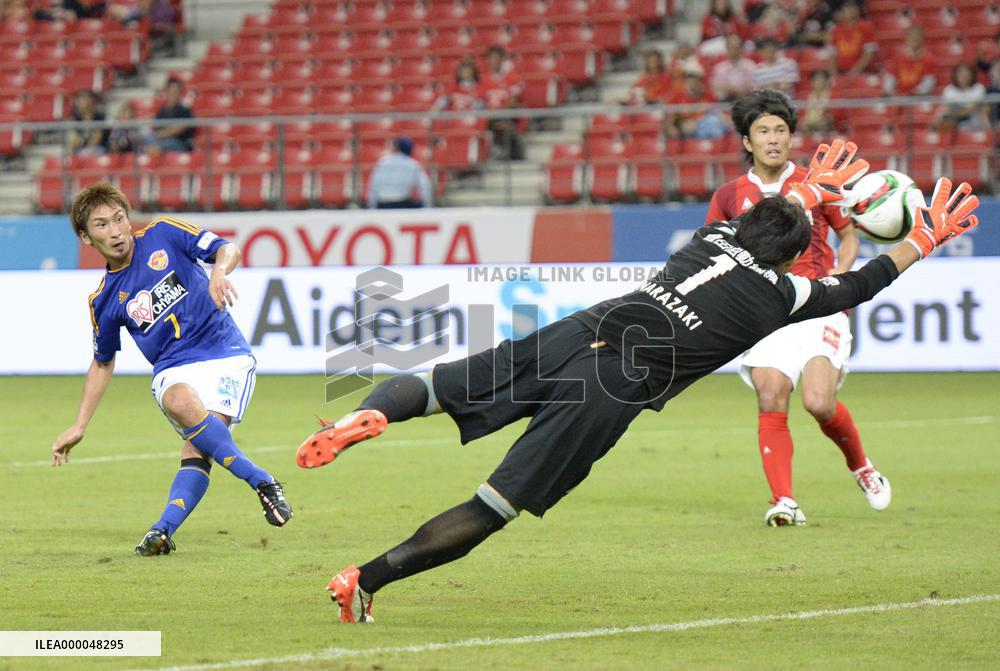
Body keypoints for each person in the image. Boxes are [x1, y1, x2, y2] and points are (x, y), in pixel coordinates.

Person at [297, 141, 979, 622]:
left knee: (439, 384)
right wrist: (924, 238)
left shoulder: (709, 240)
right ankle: (363, 578)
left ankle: (361, 417)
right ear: (795, 255)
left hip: (581, 328)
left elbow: (765, 216)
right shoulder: (780, 297)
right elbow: (861, 279)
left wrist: (805, 188)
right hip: (613, 384)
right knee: (491, 506)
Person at [51, 183, 293, 556]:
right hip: (172, 368)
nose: (116, 231)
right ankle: (262, 481)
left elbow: (227, 248)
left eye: (119, 219)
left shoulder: (164, 232)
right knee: (180, 401)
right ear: (85, 236)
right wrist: (80, 424)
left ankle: (162, 531)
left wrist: (218, 272)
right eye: (102, 225)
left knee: (198, 448)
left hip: (224, 351)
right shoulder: (103, 300)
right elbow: (102, 363)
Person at [705, 89, 877, 526]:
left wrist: (841, 274)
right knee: (771, 394)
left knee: (819, 403)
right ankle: (784, 501)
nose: (773, 138)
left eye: (780, 129)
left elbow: (850, 234)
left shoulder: (815, 185)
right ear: (747, 141)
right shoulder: (730, 195)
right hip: (765, 311)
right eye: (763, 130)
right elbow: (713, 248)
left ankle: (860, 465)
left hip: (817, 303)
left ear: (790, 136)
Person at [365, 136, 433, 209]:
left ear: (397, 148)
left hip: (382, 204)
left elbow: (373, 186)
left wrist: (372, 206)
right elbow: (425, 187)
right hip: (401, 204)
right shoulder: (413, 164)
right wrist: (427, 206)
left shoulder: (383, 162)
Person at [934, 63, 992, 132]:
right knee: (941, 116)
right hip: (953, 120)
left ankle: (988, 136)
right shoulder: (949, 89)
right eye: (960, 73)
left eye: (966, 74)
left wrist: (955, 111)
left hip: (973, 121)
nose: (963, 76)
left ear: (972, 75)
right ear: (955, 75)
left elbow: (970, 109)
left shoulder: (978, 88)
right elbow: (946, 107)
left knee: (982, 111)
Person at [883, 26, 936, 97]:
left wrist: (913, 93)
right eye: (911, 36)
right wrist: (893, 93)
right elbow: (890, 78)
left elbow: (928, 83)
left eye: (917, 37)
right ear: (906, 38)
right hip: (898, 96)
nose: (914, 39)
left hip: (919, 97)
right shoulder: (898, 57)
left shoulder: (929, 59)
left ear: (923, 39)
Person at [146, 77, 196, 153]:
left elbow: (179, 129)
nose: (174, 94)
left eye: (176, 91)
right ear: (166, 92)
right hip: (161, 140)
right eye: (171, 91)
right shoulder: (162, 111)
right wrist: (157, 135)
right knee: (146, 137)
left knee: (158, 144)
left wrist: (160, 134)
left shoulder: (185, 110)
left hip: (179, 143)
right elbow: (155, 128)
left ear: (180, 93)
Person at [828, 1, 877, 77]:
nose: (850, 11)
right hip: (841, 72)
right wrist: (835, 75)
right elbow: (831, 54)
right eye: (847, 9)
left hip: (863, 72)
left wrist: (854, 71)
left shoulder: (866, 27)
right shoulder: (836, 30)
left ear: (858, 10)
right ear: (842, 12)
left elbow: (869, 53)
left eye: (852, 8)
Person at [710, 35, 757, 102]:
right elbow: (716, 88)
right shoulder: (719, 68)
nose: (734, 50)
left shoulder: (750, 65)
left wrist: (743, 89)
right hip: (725, 102)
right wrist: (733, 90)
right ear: (727, 48)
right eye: (731, 47)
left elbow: (755, 85)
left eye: (736, 47)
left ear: (741, 48)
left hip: (747, 100)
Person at [67, 90, 108, 156]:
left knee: (89, 153)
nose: (81, 103)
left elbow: (96, 140)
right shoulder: (77, 118)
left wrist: (84, 150)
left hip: (98, 149)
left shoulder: (99, 117)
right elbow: (74, 139)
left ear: (91, 101)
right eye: (80, 100)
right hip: (81, 150)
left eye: (84, 99)